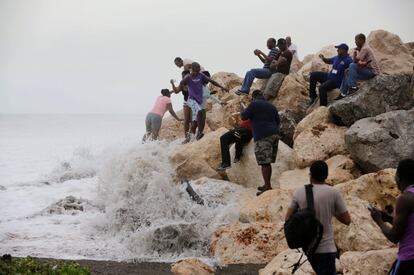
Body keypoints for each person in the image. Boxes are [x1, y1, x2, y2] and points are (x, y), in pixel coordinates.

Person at [285, 160, 351, 275]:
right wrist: (331, 210)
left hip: (309, 247)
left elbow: (287, 219)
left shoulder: (299, 192)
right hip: (327, 247)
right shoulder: (333, 193)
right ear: (326, 176)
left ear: (310, 175)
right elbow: (347, 220)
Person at [369, 159, 414, 274]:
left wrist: (378, 220)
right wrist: (388, 218)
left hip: (408, 259)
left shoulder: (405, 199)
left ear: (398, 177)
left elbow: (394, 236)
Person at [171, 62, 229, 143]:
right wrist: (182, 85)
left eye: (199, 68)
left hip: (198, 101)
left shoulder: (201, 75)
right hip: (191, 100)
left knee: (197, 119)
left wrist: (222, 87)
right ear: (193, 68)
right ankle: (193, 135)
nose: (199, 69)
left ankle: (196, 134)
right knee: (199, 112)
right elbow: (181, 84)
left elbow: (211, 81)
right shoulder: (188, 77)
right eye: (197, 68)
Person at [241, 90, 280, 195]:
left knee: (264, 162)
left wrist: (243, 109)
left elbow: (244, 117)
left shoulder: (254, 104)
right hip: (275, 134)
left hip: (263, 135)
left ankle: (268, 186)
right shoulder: (271, 106)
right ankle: (267, 184)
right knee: (267, 162)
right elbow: (278, 121)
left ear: (253, 97)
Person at [336, 33, 380, 100]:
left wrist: (355, 51)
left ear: (362, 40)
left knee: (351, 66)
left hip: (372, 72)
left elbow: (355, 61)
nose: (355, 42)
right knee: (347, 72)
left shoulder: (365, 48)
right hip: (367, 70)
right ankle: (343, 93)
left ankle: (353, 87)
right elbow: (357, 62)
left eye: (356, 40)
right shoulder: (362, 48)